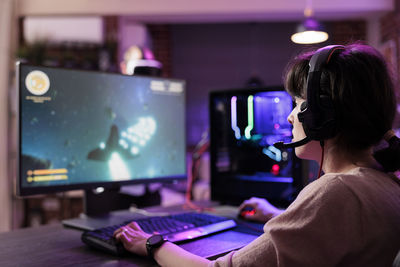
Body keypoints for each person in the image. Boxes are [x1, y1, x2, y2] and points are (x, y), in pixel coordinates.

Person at [113, 43, 400, 266]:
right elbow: (334, 232)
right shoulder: (384, 182)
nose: (290, 117)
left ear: (322, 116)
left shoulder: (335, 191)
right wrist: (278, 216)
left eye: (298, 104)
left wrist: (152, 243)